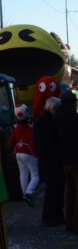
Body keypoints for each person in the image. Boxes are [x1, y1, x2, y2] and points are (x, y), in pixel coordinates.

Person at [34, 96, 64, 226]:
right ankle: (52, 216)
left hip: (46, 161)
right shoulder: (49, 121)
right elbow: (51, 142)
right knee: (54, 190)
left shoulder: (40, 121)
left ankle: (51, 216)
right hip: (51, 161)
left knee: (52, 189)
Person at [7, 104, 39, 205]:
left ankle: (25, 195)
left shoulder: (15, 129)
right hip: (28, 153)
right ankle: (28, 193)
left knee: (23, 174)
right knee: (36, 175)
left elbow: (10, 143)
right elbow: (33, 142)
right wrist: (36, 154)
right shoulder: (29, 128)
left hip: (18, 153)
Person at [57, 89, 78, 233]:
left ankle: (69, 221)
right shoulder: (74, 118)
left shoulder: (56, 117)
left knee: (69, 190)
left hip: (63, 160)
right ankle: (76, 223)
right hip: (75, 159)